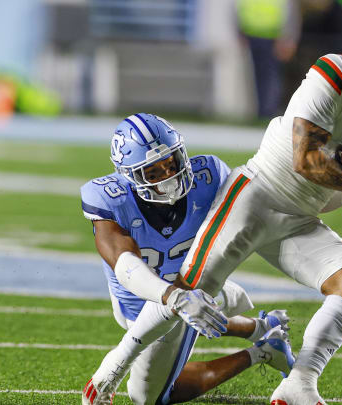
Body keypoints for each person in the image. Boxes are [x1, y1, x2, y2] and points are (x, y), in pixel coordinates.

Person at [90, 11, 342, 405]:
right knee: (188, 290)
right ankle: (114, 365)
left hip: (301, 217)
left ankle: (299, 383)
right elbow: (305, 160)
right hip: (257, 195)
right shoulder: (337, 73)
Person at [80, 113, 295, 405]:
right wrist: (174, 297)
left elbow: (251, 219)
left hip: (194, 288)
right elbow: (124, 263)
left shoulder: (210, 177)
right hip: (139, 302)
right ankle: (260, 329)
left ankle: (262, 352)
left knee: (147, 398)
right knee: (177, 306)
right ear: (129, 175)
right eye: (153, 173)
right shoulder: (109, 198)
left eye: (171, 163)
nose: (168, 176)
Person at [236, 0, 301, 118]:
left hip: (274, 38)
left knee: (271, 77)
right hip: (253, 35)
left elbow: (291, 12)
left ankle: (268, 112)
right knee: (260, 77)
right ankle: (263, 112)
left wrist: (288, 38)